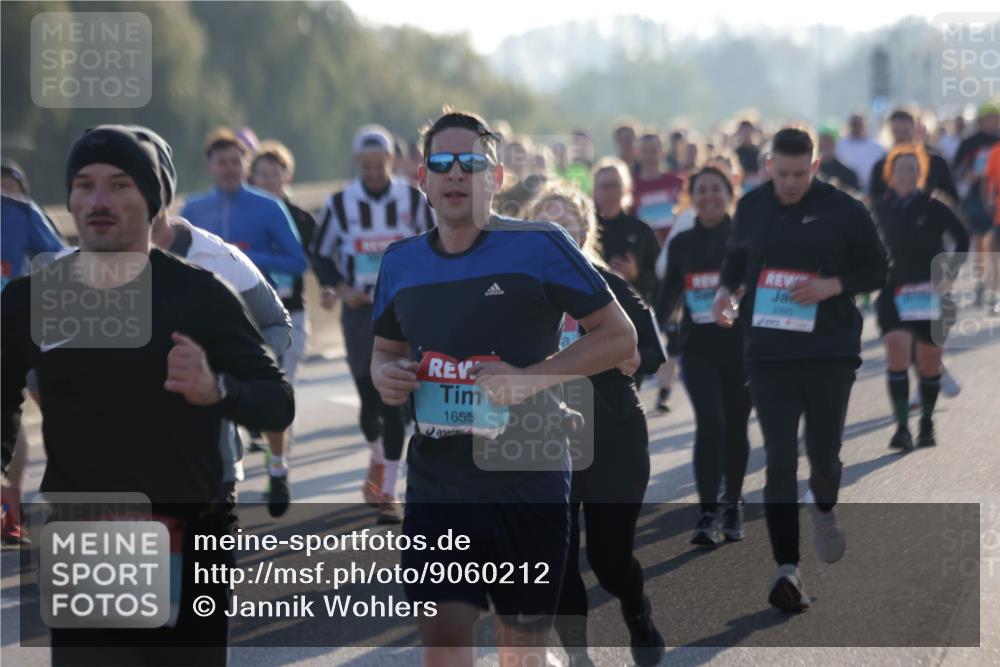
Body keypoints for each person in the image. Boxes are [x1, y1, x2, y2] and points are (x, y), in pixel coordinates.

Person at [1, 125, 294, 664]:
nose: (99, 201)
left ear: (152, 198)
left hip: (191, 535)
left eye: (119, 185)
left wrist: (217, 389)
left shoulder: (199, 294)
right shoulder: (32, 300)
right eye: (84, 185)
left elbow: (275, 400)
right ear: (68, 198)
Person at [370, 110, 636, 667]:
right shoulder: (401, 263)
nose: (456, 174)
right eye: (442, 164)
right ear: (423, 178)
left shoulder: (540, 245)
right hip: (439, 483)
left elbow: (617, 336)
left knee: (521, 648)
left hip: (527, 474)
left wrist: (527, 380)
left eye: (472, 163)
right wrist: (385, 378)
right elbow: (385, 353)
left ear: (495, 177)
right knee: (443, 641)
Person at [712, 128, 888, 612]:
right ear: (769, 165)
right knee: (780, 458)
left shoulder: (844, 208)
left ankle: (825, 508)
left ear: (813, 167)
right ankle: (787, 568)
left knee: (824, 454)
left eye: (798, 174)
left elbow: (879, 269)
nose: (789, 184)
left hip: (829, 348)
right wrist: (725, 292)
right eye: (781, 173)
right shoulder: (751, 207)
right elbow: (734, 262)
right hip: (768, 351)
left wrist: (833, 286)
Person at [528, 185, 665, 667]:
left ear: (585, 231)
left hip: (613, 437)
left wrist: (634, 358)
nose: (561, 231)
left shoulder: (607, 286)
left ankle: (636, 610)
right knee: (560, 563)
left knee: (609, 563)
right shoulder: (520, 293)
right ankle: (579, 656)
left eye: (569, 223)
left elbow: (652, 351)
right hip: (545, 438)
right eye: (549, 223)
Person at [137, 125, 294, 517]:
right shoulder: (79, 274)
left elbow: (277, 323)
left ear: (164, 191)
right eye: (93, 185)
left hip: (209, 464)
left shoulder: (217, 256)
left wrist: (230, 374)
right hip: (122, 471)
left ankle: (277, 466)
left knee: (203, 575)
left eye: (139, 181)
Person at [311, 124, 434, 524]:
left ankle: (389, 490)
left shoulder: (414, 201)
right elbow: (321, 254)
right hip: (362, 309)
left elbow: (439, 241)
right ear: (356, 164)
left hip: (406, 307)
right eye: (364, 165)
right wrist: (341, 288)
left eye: (378, 164)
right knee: (368, 396)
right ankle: (379, 457)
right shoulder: (341, 204)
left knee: (395, 399)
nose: (372, 172)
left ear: (391, 160)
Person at [657, 166, 750, 545]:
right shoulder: (683, 244)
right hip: (698, 350)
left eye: (716, 189)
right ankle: (707, 512)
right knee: (711, 423)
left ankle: (732, 505)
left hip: (742, 348)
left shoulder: (744, 239)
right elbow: (665, 300)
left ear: (729, 193)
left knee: (735, 427)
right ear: (691, 196)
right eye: (702, 190)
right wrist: (662, 328)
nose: (709, 196)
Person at [873, 145, 969, 451]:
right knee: (896, 348)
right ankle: (902, 427)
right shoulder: (880, 208)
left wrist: (949, 272)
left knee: (929, 362)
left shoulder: (934, 206)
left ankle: (926, 423)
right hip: (894, 290)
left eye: (913, 169)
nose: (907, 174)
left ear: (921, 174)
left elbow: (962, 238)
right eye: (901, 169)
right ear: (891, 174)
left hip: (930, 291)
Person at [249, 140, 318, 489]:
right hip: (249, 316)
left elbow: (316, 260)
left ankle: (278, 462)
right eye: (262, 174)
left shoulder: (302, 219)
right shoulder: (243, 218)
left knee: (281, 388)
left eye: (275, 174)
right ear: (252, 177)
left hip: (292, 314)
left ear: (286, 176)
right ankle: (257, 432)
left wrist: (332, 286)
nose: (269, 180)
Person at [0, 193, 66, 544]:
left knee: (35, 410)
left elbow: (59, 264)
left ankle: (11, 509)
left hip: (20, 333)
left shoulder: (19, 212)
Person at [592, 157, 659, 304]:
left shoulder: (642, 230)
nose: (610, 192)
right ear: (595, 191)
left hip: (633, 309)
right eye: (604, 186)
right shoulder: (585, 231)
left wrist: (635, 275)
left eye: (615, 185)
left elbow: (659, 279)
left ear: (626, 188)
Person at [953, 100, 999, 309]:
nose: (993, 122)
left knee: (994, 244)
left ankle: (994, 284)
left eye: (996, 118)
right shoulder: (970, 142)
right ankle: (981, 282)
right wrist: (968, 176)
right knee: (980, 240)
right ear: (980, 120)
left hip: (996, 196)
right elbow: (955, 170)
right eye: (989, 118)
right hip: (974, 198)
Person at [868, 109, 959, 204]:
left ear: (916, 130)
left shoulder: (935, 163)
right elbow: (875, 203)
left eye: (905, 132)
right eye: (897, 132)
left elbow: (952, 200)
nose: (901, 138)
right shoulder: (881, 167)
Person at [631, 131, 684, 244]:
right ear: (637, 153)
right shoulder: (630, 187)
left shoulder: (678, 183)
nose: (650, 156)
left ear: (662, 152)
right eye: (645, 151)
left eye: (654, 151)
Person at [836, 113, 885, 194]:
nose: (857, 127)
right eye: (854, 124)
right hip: (846, 188)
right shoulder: (840, 145)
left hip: (869, 189)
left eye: (859, 124)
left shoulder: (877, 147)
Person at [817, 126, 860, 193]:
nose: (826, 143)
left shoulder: (848, 174)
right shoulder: (809, 169)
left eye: (829, 140)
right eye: (824, 139)